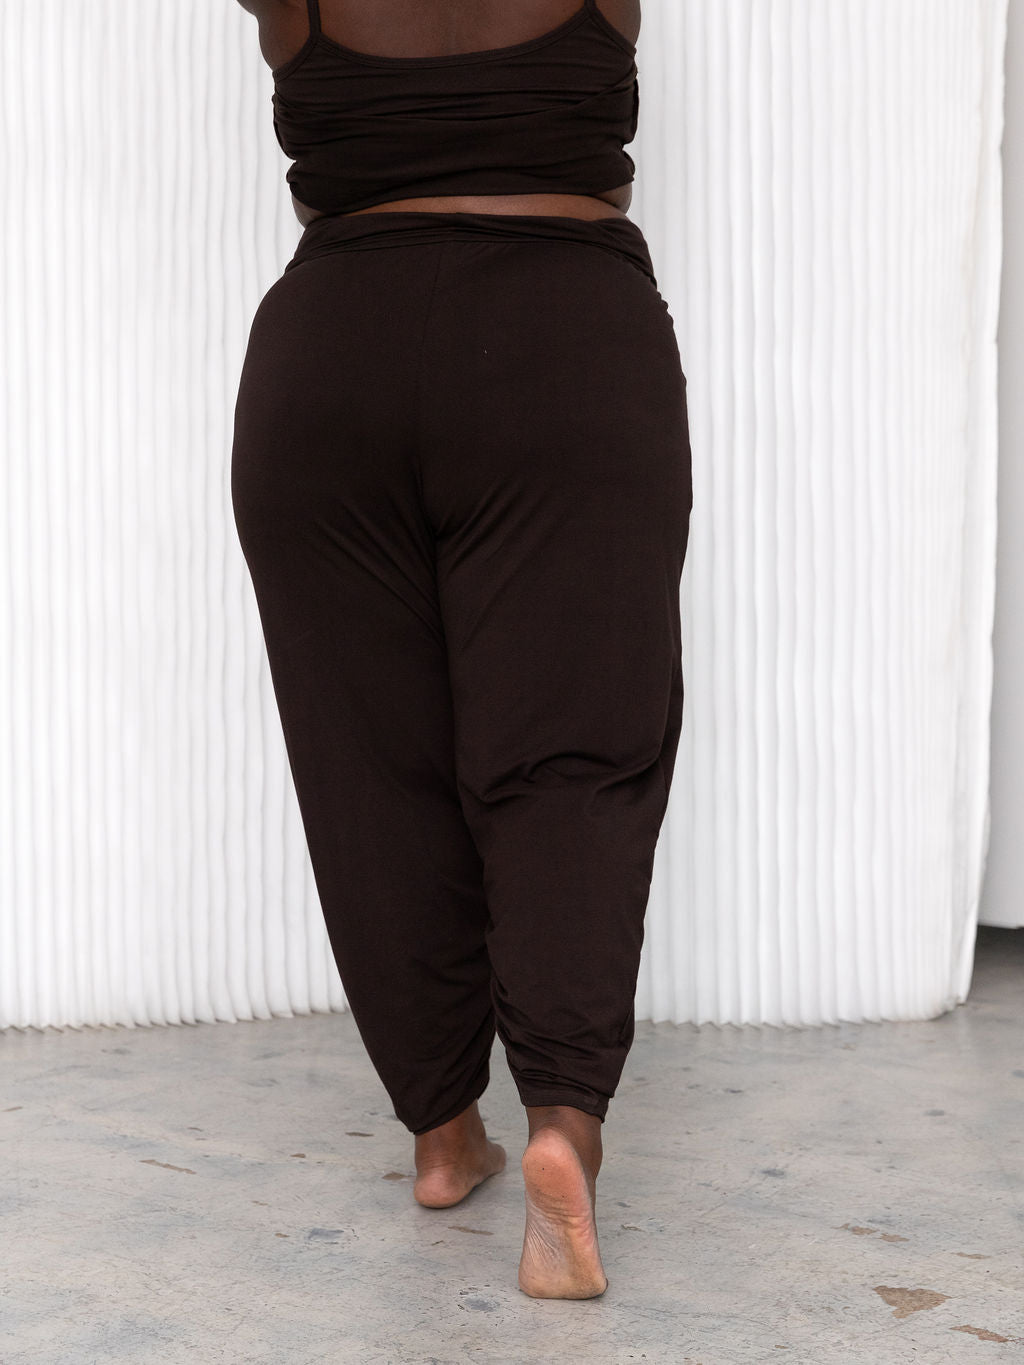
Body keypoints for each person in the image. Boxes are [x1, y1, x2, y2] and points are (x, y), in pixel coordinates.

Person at [231, 0, 692, 1301]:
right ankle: (562, 1126)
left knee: (368, 763)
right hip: (565, 341)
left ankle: (443, 1137)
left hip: (330, 359)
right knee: (573, 754)